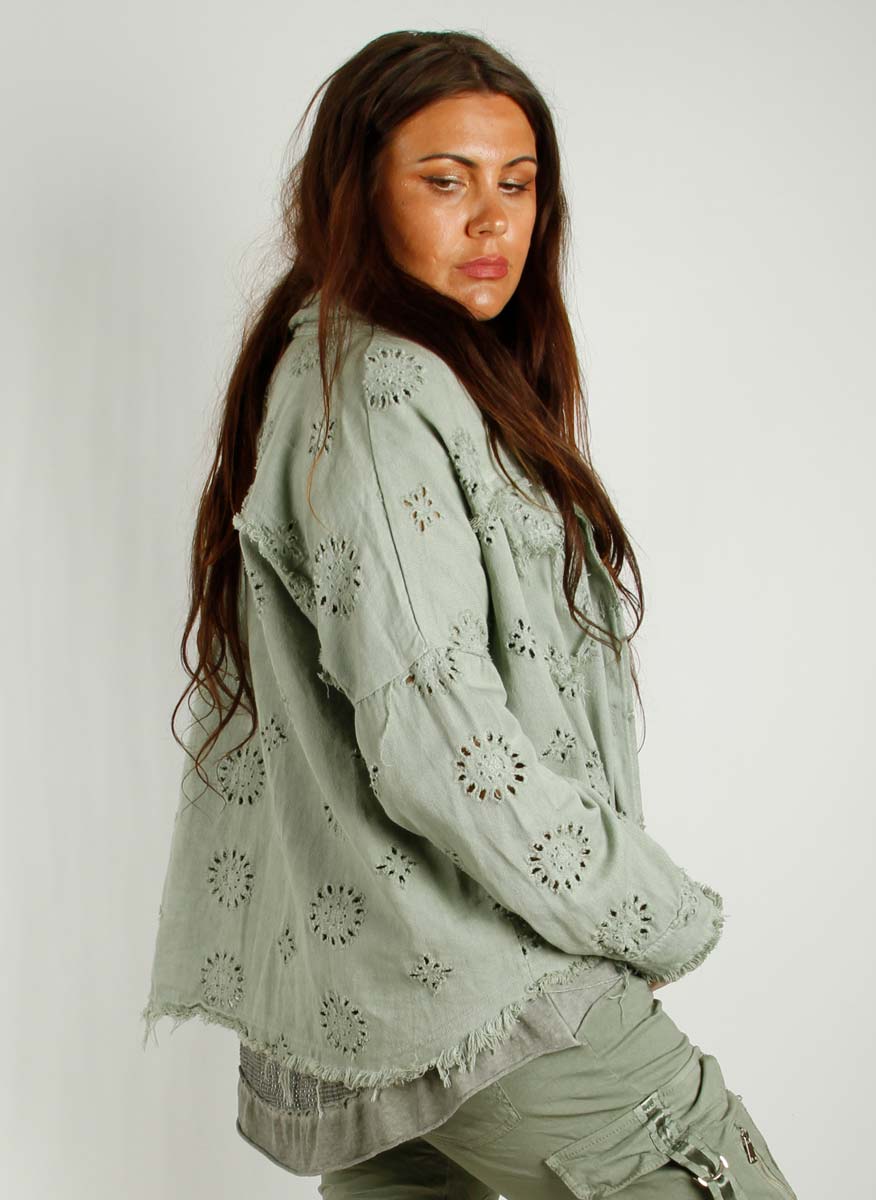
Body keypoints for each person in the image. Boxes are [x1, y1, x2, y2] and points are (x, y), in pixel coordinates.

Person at [140, 29, 798, 1200]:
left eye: (518, 183)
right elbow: (444, 750)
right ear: (357, 194)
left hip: (372, 1006)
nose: (494, 219)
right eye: (445, 182)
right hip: (484, 991)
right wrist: (647, 915)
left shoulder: (368, 373)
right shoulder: (380, 388)